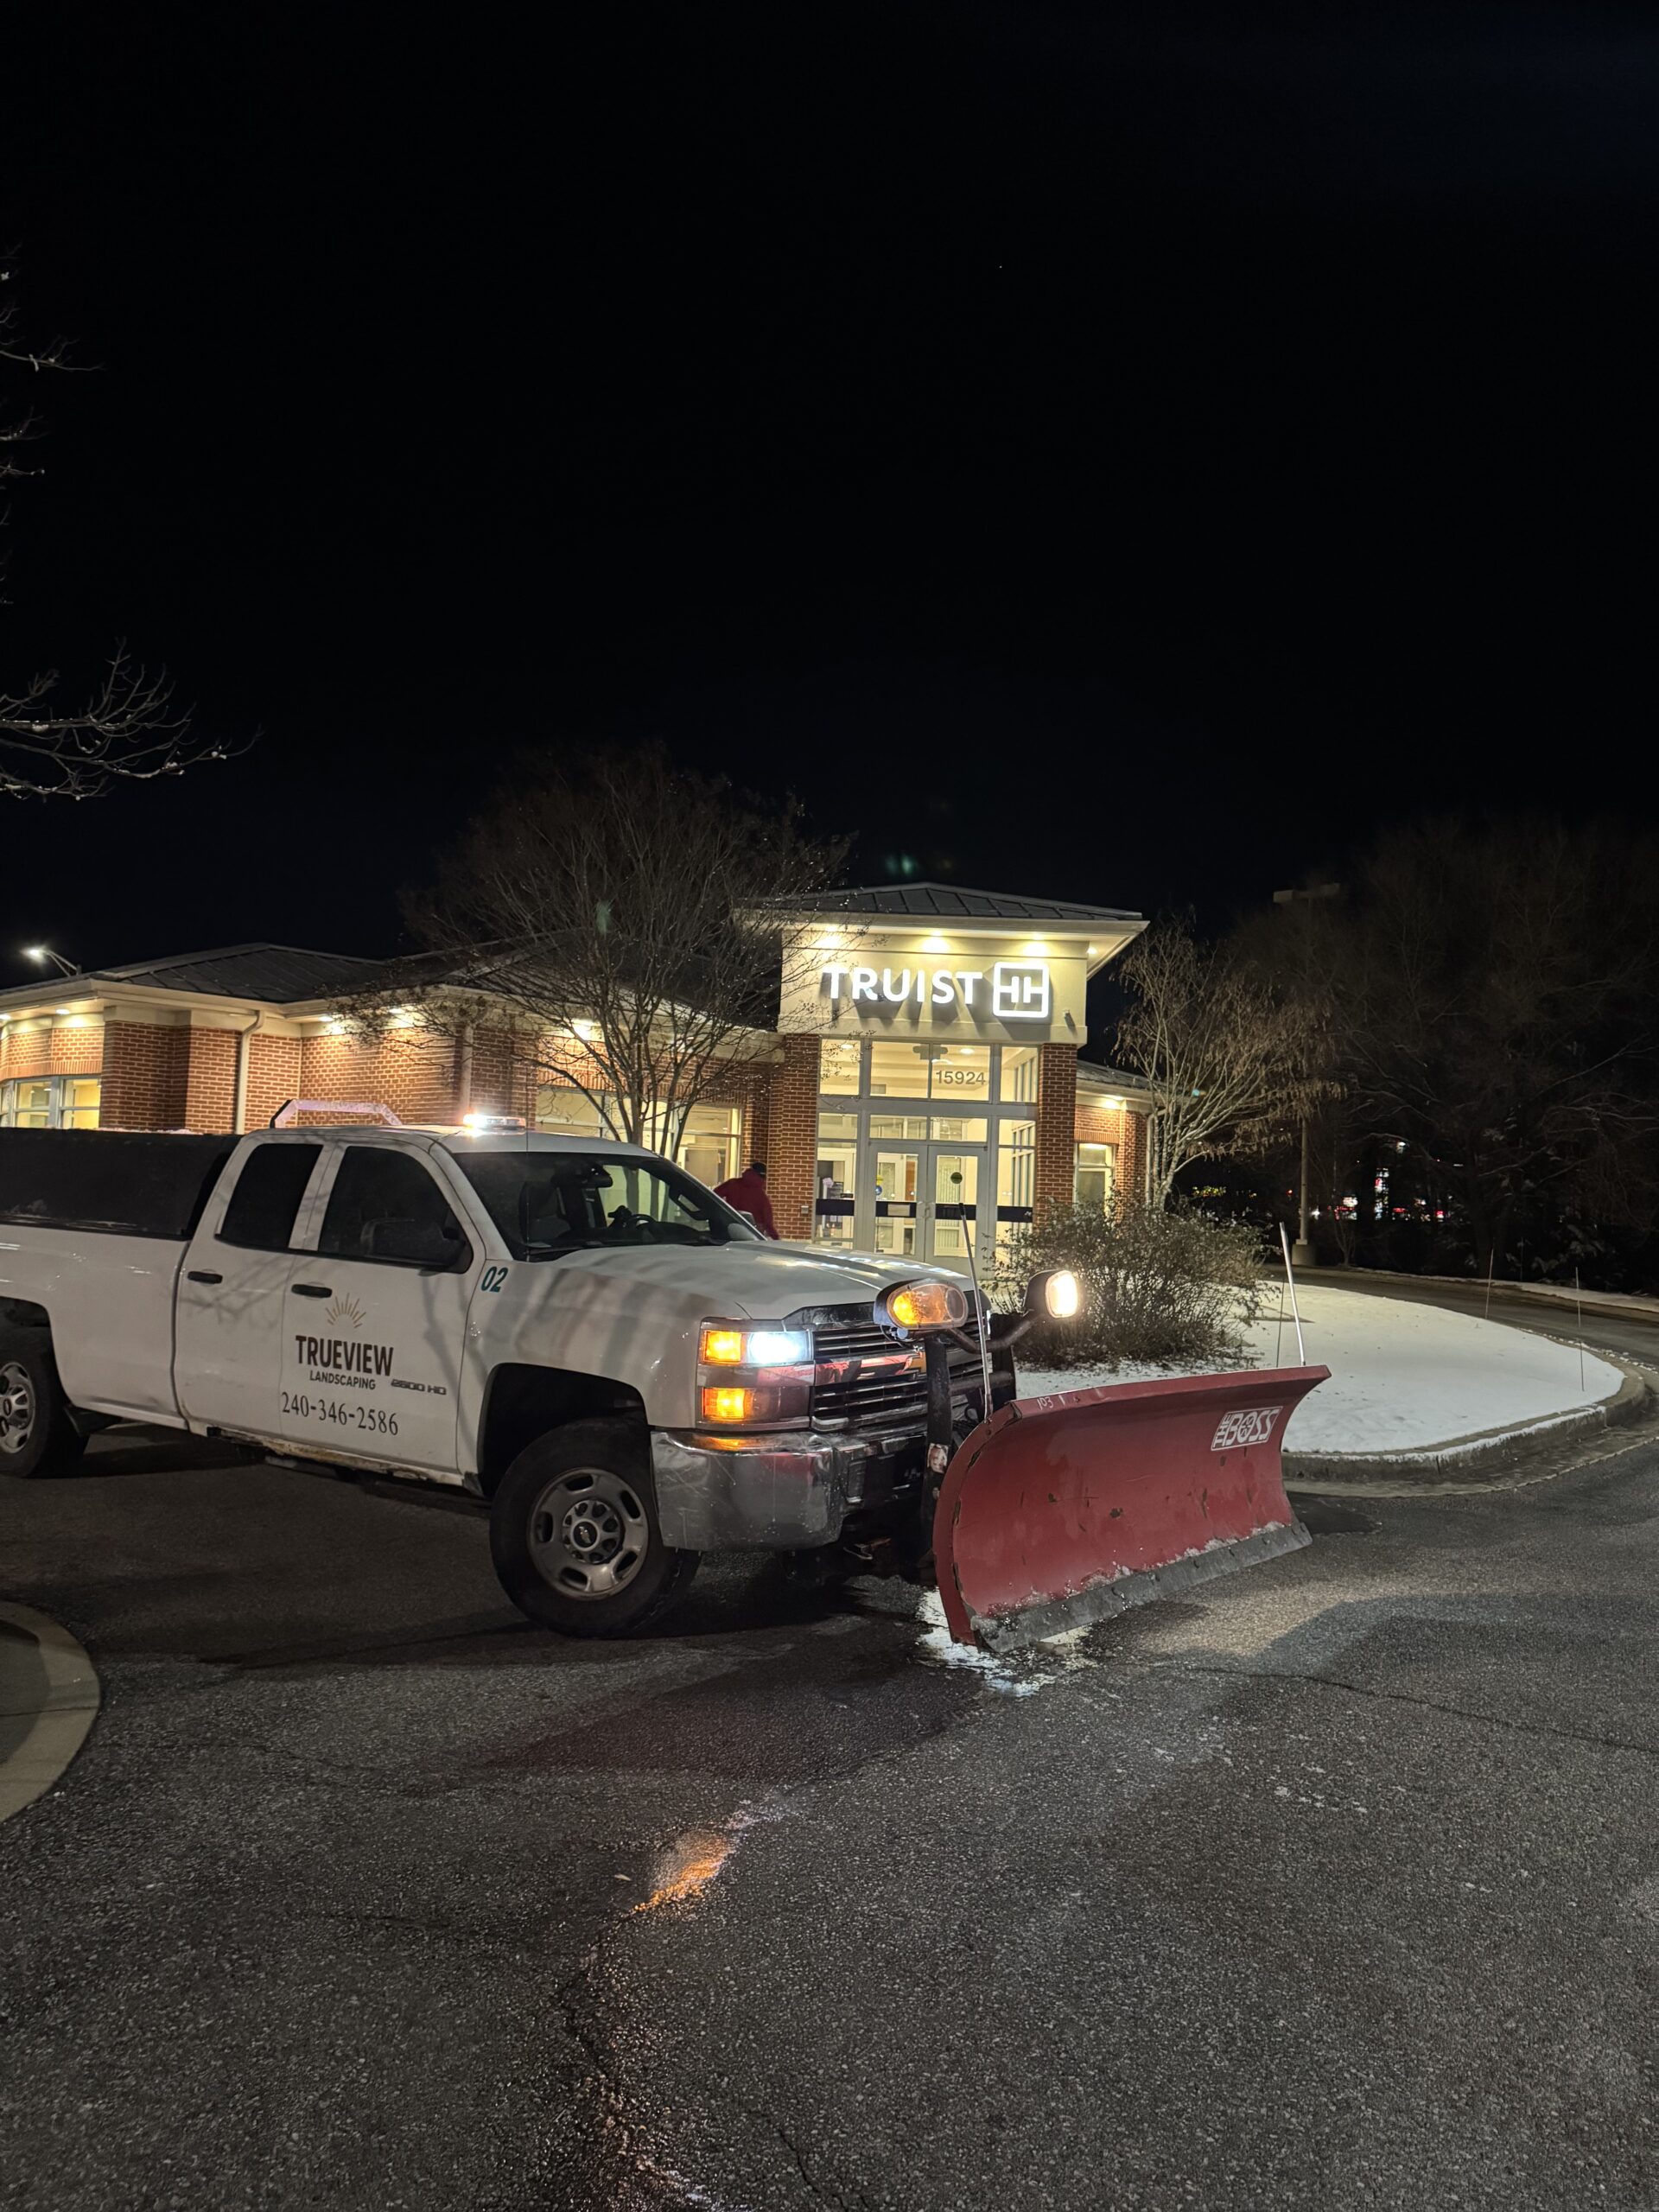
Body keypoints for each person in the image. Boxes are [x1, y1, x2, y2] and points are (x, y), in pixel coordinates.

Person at [715, 1160, 778, 1238]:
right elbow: (768, 1222)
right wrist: (776, 1237)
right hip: (751, 1233)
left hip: (730, 1226)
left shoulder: (732, 1184)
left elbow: (714, 1196)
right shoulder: (761, 1196)